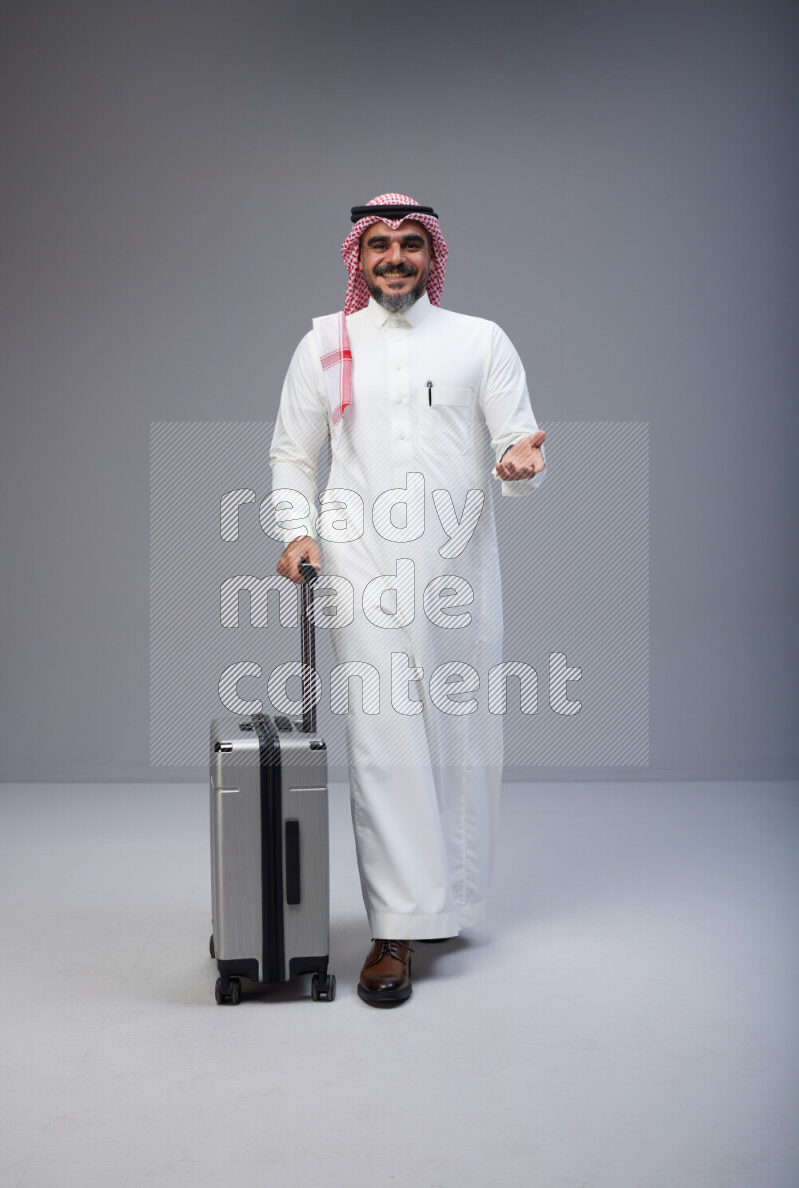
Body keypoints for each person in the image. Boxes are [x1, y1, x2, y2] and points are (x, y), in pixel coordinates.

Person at [270, 193, 546, 1006]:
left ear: (434, 256)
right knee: (386, 737)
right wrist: (295, 531)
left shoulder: (479, 341)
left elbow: (514, 438)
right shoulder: (325, 342)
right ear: (358, 256)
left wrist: (520, 466)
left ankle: (447, 904)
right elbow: (293, 453)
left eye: (410, 244)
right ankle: (394, 931)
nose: (395, 257)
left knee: (461, 734)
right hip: (360, 564)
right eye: (380, 244)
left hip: (458, 570)